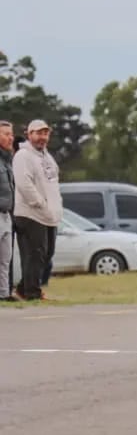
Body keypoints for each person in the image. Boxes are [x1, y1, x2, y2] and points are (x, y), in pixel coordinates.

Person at [12, 119, 62, 302]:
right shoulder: (23, 156)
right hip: (30, 214)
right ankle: (31, 293)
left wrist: (56, 207)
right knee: (35, 254)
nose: (42, 137)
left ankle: (24, 288)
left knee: (47, 254)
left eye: (45, 133)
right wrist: (39, 203)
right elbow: (25, 185)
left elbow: (53, 183)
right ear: (29, 134)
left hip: (49, 215)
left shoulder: (47, 157)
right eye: (38, 133)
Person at [0, 120, 15, 301]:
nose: (10, 138)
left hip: (6, 214)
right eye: (6, 134)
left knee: (5, 259)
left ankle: (3, 294)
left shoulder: (7, 160)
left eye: (11, 134)